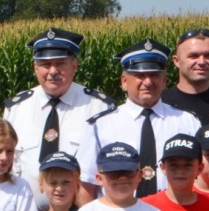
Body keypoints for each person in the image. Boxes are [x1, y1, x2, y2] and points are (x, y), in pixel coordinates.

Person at [75, 38, 200, 202]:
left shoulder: (187, 122)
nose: (148, 82)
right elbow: (86, 184)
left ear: (164, 81)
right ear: (124, 81)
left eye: (154, 75)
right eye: (140, 76)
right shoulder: (100, 125)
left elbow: (200, 177)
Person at [3, 27, 114, 206]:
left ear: (74, 65)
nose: (53, 71)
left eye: (60, 64)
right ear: (35, 68)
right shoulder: (17, 108)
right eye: (46, 65)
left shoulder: (98, 107)